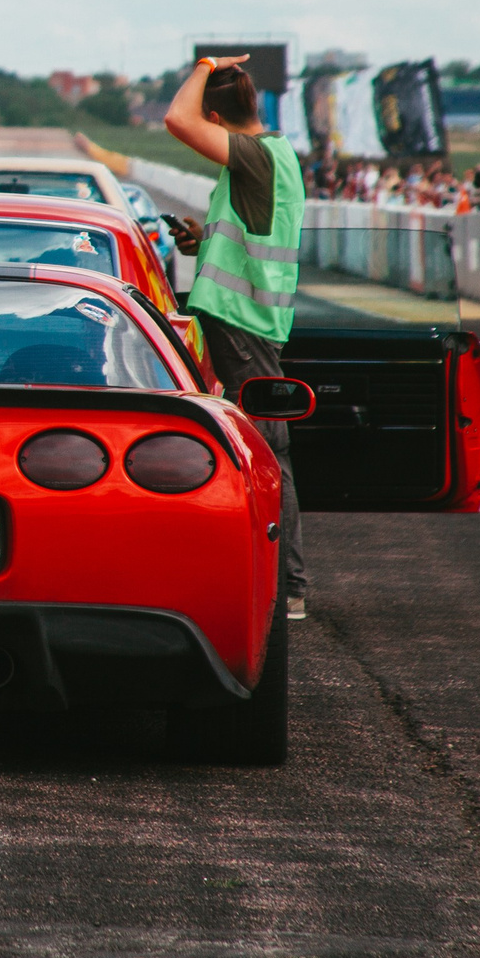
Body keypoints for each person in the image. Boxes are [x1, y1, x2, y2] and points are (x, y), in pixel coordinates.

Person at [164, 55, 310, 619]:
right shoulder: (268, 157)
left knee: (270, 452)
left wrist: (204, 65)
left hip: (244, 322)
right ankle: (281, 578)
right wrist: (205, 242)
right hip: (248, 320)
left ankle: (290, 585)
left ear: (219, 116)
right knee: (266, 448)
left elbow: (178, 120)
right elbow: (253, 237)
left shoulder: (255, 154)